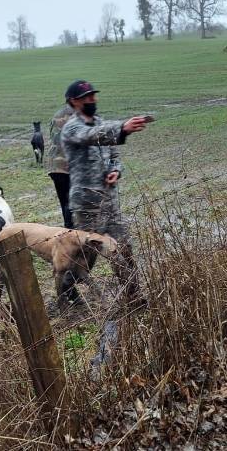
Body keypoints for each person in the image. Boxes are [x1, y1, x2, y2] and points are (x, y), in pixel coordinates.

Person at [60, 80, 149, 305]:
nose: (92, 99)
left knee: (124, 248)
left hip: (109, 200)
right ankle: (66, 292)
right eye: (86, 96)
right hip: (87, 204)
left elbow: (114, 156)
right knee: (85, 256)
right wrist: (122, 128)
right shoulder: (72, 128)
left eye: (93, 95)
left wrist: (115, 171)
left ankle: (133, 296)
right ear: (74, 101)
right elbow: (92, 136)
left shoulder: (100, 122)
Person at [46, 100, 76, 228]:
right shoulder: (76, 116)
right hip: (66, 165)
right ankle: (71, 231)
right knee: (71, 201)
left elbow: (52, 136)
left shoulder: (57, 114)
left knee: (64, 200)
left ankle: (68, 229)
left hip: (53, 165)